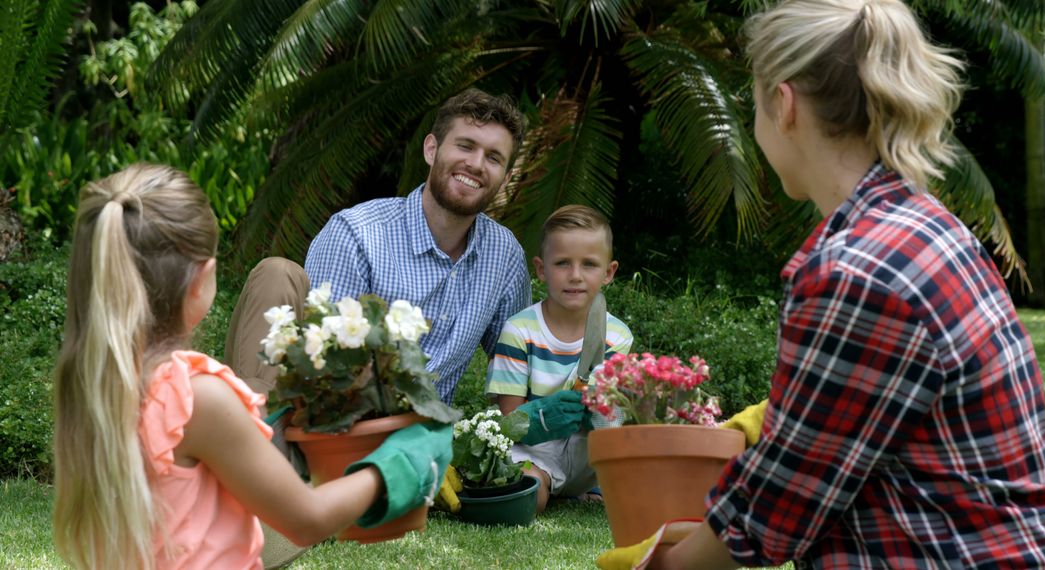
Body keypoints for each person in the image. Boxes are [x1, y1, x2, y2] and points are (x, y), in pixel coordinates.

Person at [602, 1, 1045, 568]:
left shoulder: (853, 270)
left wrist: (660, 564)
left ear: (783, 105)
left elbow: (777, 509)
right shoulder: (924, 224)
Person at [51, 164, 453, 570]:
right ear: (201, 281)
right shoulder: (196, 397)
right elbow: (306, 519)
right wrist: (400, 464)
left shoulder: (92, 380)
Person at [224, 87, 532, 407]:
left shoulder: (504, 256)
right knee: (278, 274)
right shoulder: (358, 235)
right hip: (332, 413)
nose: (476, 164)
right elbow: (321, 359)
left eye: (493, 158)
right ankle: (249, 431)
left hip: (422, 443)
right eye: (465, 146)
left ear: (506, 177)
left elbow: (517, 364)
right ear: (431, 149)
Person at [486, 205, 633, 512]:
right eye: (562, 263)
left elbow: (610, 415)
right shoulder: (519, 331)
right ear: (541, 269)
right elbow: (507, 421)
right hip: (532, 450)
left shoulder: (617, 336)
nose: (575, 276)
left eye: (589, 264)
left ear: (609, 272)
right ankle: (540, 485)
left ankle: (594, 484)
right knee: (529, 497)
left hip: (587, 454)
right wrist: (542, 415)